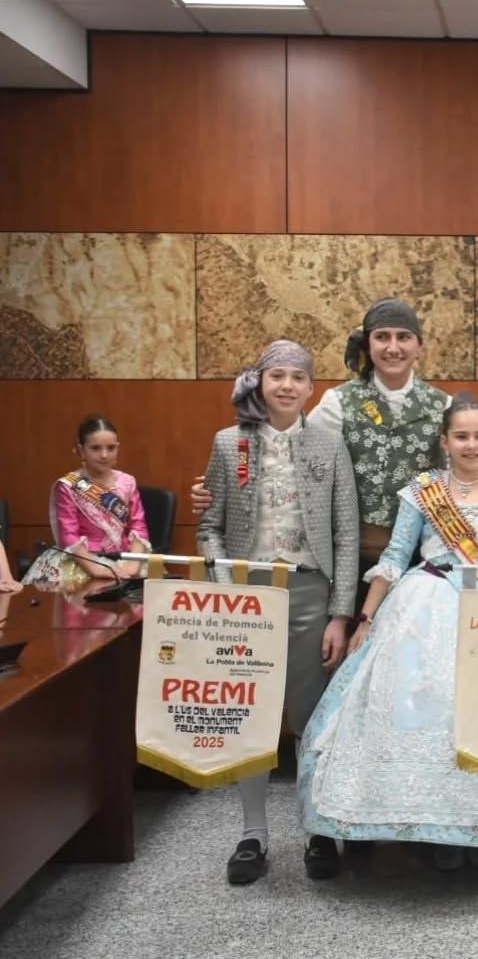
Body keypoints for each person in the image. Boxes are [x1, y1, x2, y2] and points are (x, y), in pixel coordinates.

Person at [300, 394, 478, 868]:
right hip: (425, 607)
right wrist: (366, 619)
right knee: (425, 710)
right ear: (445, 442)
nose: (471, 445)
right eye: (461, 437)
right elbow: (393, 557)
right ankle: (435, 834)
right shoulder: (422, 491)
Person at [190, 297, 478, 607]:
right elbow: (296, 462)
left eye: (404, 337)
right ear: (368, 345)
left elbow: (469, 470)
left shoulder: (442, 405)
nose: (393, 347)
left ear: (420, 346)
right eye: (382, 337)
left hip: (418, 561)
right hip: (347, 558)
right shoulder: (338, 402)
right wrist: (225, 490)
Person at [196, 339, 359, 885]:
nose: (286, 385)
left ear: (312, 388)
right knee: (251, 714)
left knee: (309, 713)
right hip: (247, 592)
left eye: (297, 377)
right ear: (259, 383)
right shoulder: (228, 443)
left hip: (310, 590)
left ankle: (317, 830)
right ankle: (253, 833)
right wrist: (221, 579)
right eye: (276, 376)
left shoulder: (330, 442)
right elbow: (210, 525)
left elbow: (346, 532)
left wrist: (341, 613)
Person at [22, 415, 150, 589]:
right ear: (81, 450)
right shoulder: (68, 486)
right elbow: (68, 535)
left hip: (126, 559)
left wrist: (133, 566)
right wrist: (97, 570)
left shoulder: (128, 482)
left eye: (111, 448)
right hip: (83, 562)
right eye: (95, 448)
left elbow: (138, 526)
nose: (104, 455)